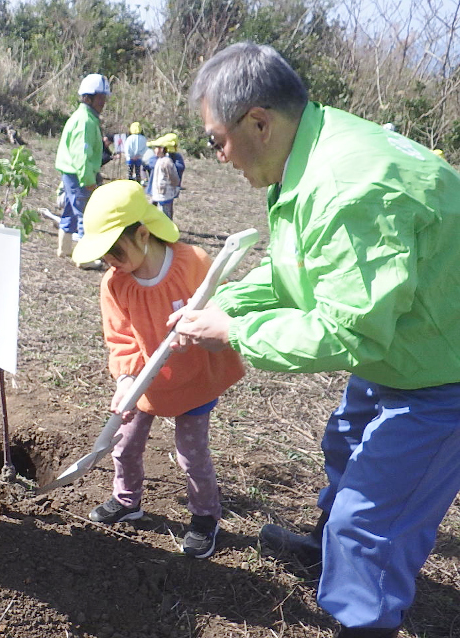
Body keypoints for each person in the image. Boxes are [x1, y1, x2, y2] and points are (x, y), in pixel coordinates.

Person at [173, 41, 460, 638]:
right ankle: (328, 553)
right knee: (344, 443)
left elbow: (348, 327)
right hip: (404, 345)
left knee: (369, 524)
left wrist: (234, 331)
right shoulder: (307, 156)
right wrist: (222, 303)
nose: (218, 156)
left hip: (441, 371)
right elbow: (296, 275)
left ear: (259, 121)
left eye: (215, 140)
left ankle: (361, 614)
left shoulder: (347, 186)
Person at [72, 180, 245, 559]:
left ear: (143, 233)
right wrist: (126, 378)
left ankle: (204, 517)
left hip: (195, 379)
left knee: (190, 454)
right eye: (103, 257)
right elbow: (120, 338)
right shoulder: (115, 285)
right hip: (146, 381)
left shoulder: (192, 263)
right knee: (124, 443)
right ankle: (127, 498)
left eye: (114, 252)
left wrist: (205, 331)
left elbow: (223, 312)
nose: (109, 263)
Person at [54, 73, 110, 257]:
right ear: (88, 98)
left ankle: (64, 250)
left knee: (70, 212)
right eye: (99, 98)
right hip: (79, 176)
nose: (103, 102)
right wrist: (88, 180)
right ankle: (85, 258)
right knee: (86, 217)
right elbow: (81, 155)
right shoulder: (85, 121)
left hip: (73, 174)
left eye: (104, 97)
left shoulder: (85, 118)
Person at [147, 133, 183, 219]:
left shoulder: (168, 161)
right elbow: (150, 163)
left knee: (165, 215)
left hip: (165, 193)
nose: (155, 150)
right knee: (155, 209)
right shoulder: (159, 159)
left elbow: (175, 177)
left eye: (157, 148)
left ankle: (167, 230)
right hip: (157, 191)